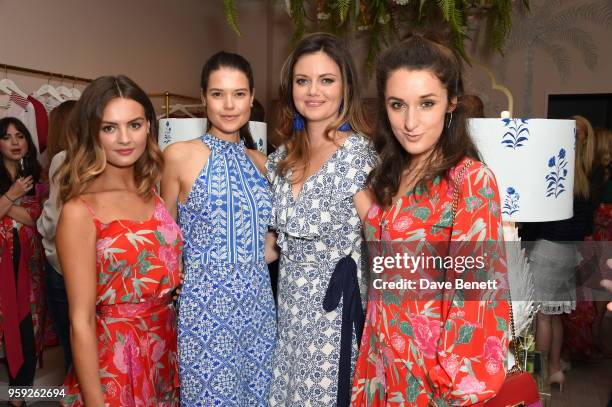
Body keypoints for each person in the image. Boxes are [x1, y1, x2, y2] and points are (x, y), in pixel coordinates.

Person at [351, 34, 509, 405]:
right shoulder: (385, 177)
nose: (410, 122)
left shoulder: (470, 180)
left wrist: (453, 381)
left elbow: (480, 294)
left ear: (451, 102)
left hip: (435, 372)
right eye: (397, 105)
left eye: (426, 104)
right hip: (381, 360)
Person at [56, 75, 182, 406]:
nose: (125, 138)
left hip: (167, 351)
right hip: (116, 361)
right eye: (109, 127)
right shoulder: (79, 210)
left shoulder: (153, 193)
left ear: (149, 127)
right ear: (91, 132)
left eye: (135, 124)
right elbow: (80, 322)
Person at [266, 32, 377, 406]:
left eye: (326, 80)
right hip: (288, 313)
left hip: (336, 314)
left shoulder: (358, 156)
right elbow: (269, 248)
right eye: (303, 80)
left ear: (345, 87)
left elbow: (383, 240)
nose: (313, 91)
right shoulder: (280, 160)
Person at [161, 51, 276, 405]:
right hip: (206, 313)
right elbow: (164, 238)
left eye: (239, 94)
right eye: (218, 93)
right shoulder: (178, 155)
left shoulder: (265, 164)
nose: (229, 104)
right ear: (202, 97)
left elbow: (270, 244)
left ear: (252, 97)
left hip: (259, 308)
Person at [522, 114, 599, 390]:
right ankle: (555, 370)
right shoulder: (590, 177)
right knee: (554, 315)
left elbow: (537, 222)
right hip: (570, 252)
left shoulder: (556, 173)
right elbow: (588, 225)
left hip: (548, 250)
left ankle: (537, 375)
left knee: (542, 317)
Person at [0, 117, 45, 406]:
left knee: (28, 332)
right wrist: (12, 196)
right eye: (7, 137)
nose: (15, 142)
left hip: (28, 268)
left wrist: (5, 204)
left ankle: (18, 400)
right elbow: (25, 214)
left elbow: (35, 218)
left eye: (20, 135)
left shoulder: (39, 181)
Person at [36, 100, 77, 372]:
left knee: (72, 344)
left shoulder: (62, 159)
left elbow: (53, 219)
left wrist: (37, 221)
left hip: (61, 264)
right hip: (88, 264)